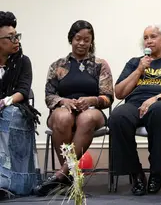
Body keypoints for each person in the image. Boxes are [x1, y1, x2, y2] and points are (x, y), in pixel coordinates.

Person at [108, 24, 161, 196]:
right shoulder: (134, 63)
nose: (148, 41)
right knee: (117, 116)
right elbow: (119, 93)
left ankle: (157, 171)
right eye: (145, 37)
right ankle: (136, 173)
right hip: (135, 104)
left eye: (153, 36)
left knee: (158, 110)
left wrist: (155, 98)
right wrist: (139, 70)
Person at [35, 20, 114, 196]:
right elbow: (49, 96)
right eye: (78, 38)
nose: (82, 43)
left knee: (86, 118)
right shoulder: (58, 65)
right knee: (64, 118)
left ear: (91, 41)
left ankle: (62, 174)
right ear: (71, 39)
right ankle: (69, 178)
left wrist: (92, 99)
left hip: (92, 110)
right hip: (64, 109)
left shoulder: (100, 65)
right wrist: (64, 101)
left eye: (87, 39)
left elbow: (108, 97)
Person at [0, 11, 40, 197]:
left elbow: (23, 91)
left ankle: (12, 182)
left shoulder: (23, 62)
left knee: (10, 114)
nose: (16, 40)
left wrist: (5, 101)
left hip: (16, 110)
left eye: (17, 36)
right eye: (11, 37)